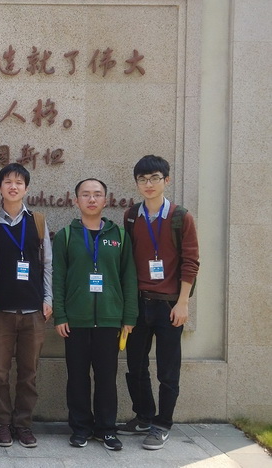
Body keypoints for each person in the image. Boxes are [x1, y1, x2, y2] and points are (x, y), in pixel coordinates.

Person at [117, 155, 199, 450]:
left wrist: (183, 303)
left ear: (166, 180)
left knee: (167, 370)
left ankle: (162, 424)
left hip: (169, 306)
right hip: (139, 304)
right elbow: (127, 262)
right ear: (137, 183)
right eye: (142, 179)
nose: (148, 184)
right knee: (135, 366)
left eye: (154, 178)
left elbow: (191, 262)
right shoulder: (131, 216)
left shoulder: (180, 217)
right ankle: (143, 416)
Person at [52, 178, 137, 451]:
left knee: (106, 378)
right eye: (86, 195)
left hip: (110, 320)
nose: (91, 199)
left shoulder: (119, 235)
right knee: (77, 377)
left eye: (97, 194)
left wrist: (129, 317)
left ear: (106, 200)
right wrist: (60, 315)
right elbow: (58, 279)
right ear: (75, 200)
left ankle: (106, 429)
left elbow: (129, 277)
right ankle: (80, 428)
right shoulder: (66, 235)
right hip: (75, 321)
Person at [0, 163, 53, 448]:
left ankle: (23, 425)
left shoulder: (37, 220)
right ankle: (3, 424)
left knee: (29, 374)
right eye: (8, 182)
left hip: (33, 311)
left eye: (18, 183)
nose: (13, 187)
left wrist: (48, 299)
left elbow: (47, 264)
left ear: (26, 188)